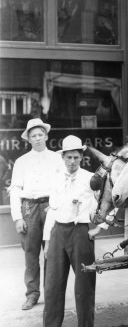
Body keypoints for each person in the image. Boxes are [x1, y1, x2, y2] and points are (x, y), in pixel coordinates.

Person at [9, 118, 65, 311]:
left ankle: (51, 294)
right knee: (31, 253)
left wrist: (59, 208)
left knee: (52, 252)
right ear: (29, 139)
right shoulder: (21, 161)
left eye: (41, 134)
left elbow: (64, 185)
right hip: (29, 208)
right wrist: (17, 217)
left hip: (51, 206)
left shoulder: (58, 158)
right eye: (34, 135)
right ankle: (32, 294)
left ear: (46, 136)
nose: (38, 138)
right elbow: (15, 189)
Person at [43, 135, 97, 326]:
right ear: (63, 157)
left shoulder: (91, 178)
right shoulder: (56, 179)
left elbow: (110, 204)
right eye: (68, 157)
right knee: (52, 286)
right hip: (57, 233)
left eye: (75, 157)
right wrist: (47, 241)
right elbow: (52, 210)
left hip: (80, 233)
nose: (72, 161)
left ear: (81, 157)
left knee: (84, 287)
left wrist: (100, 228)